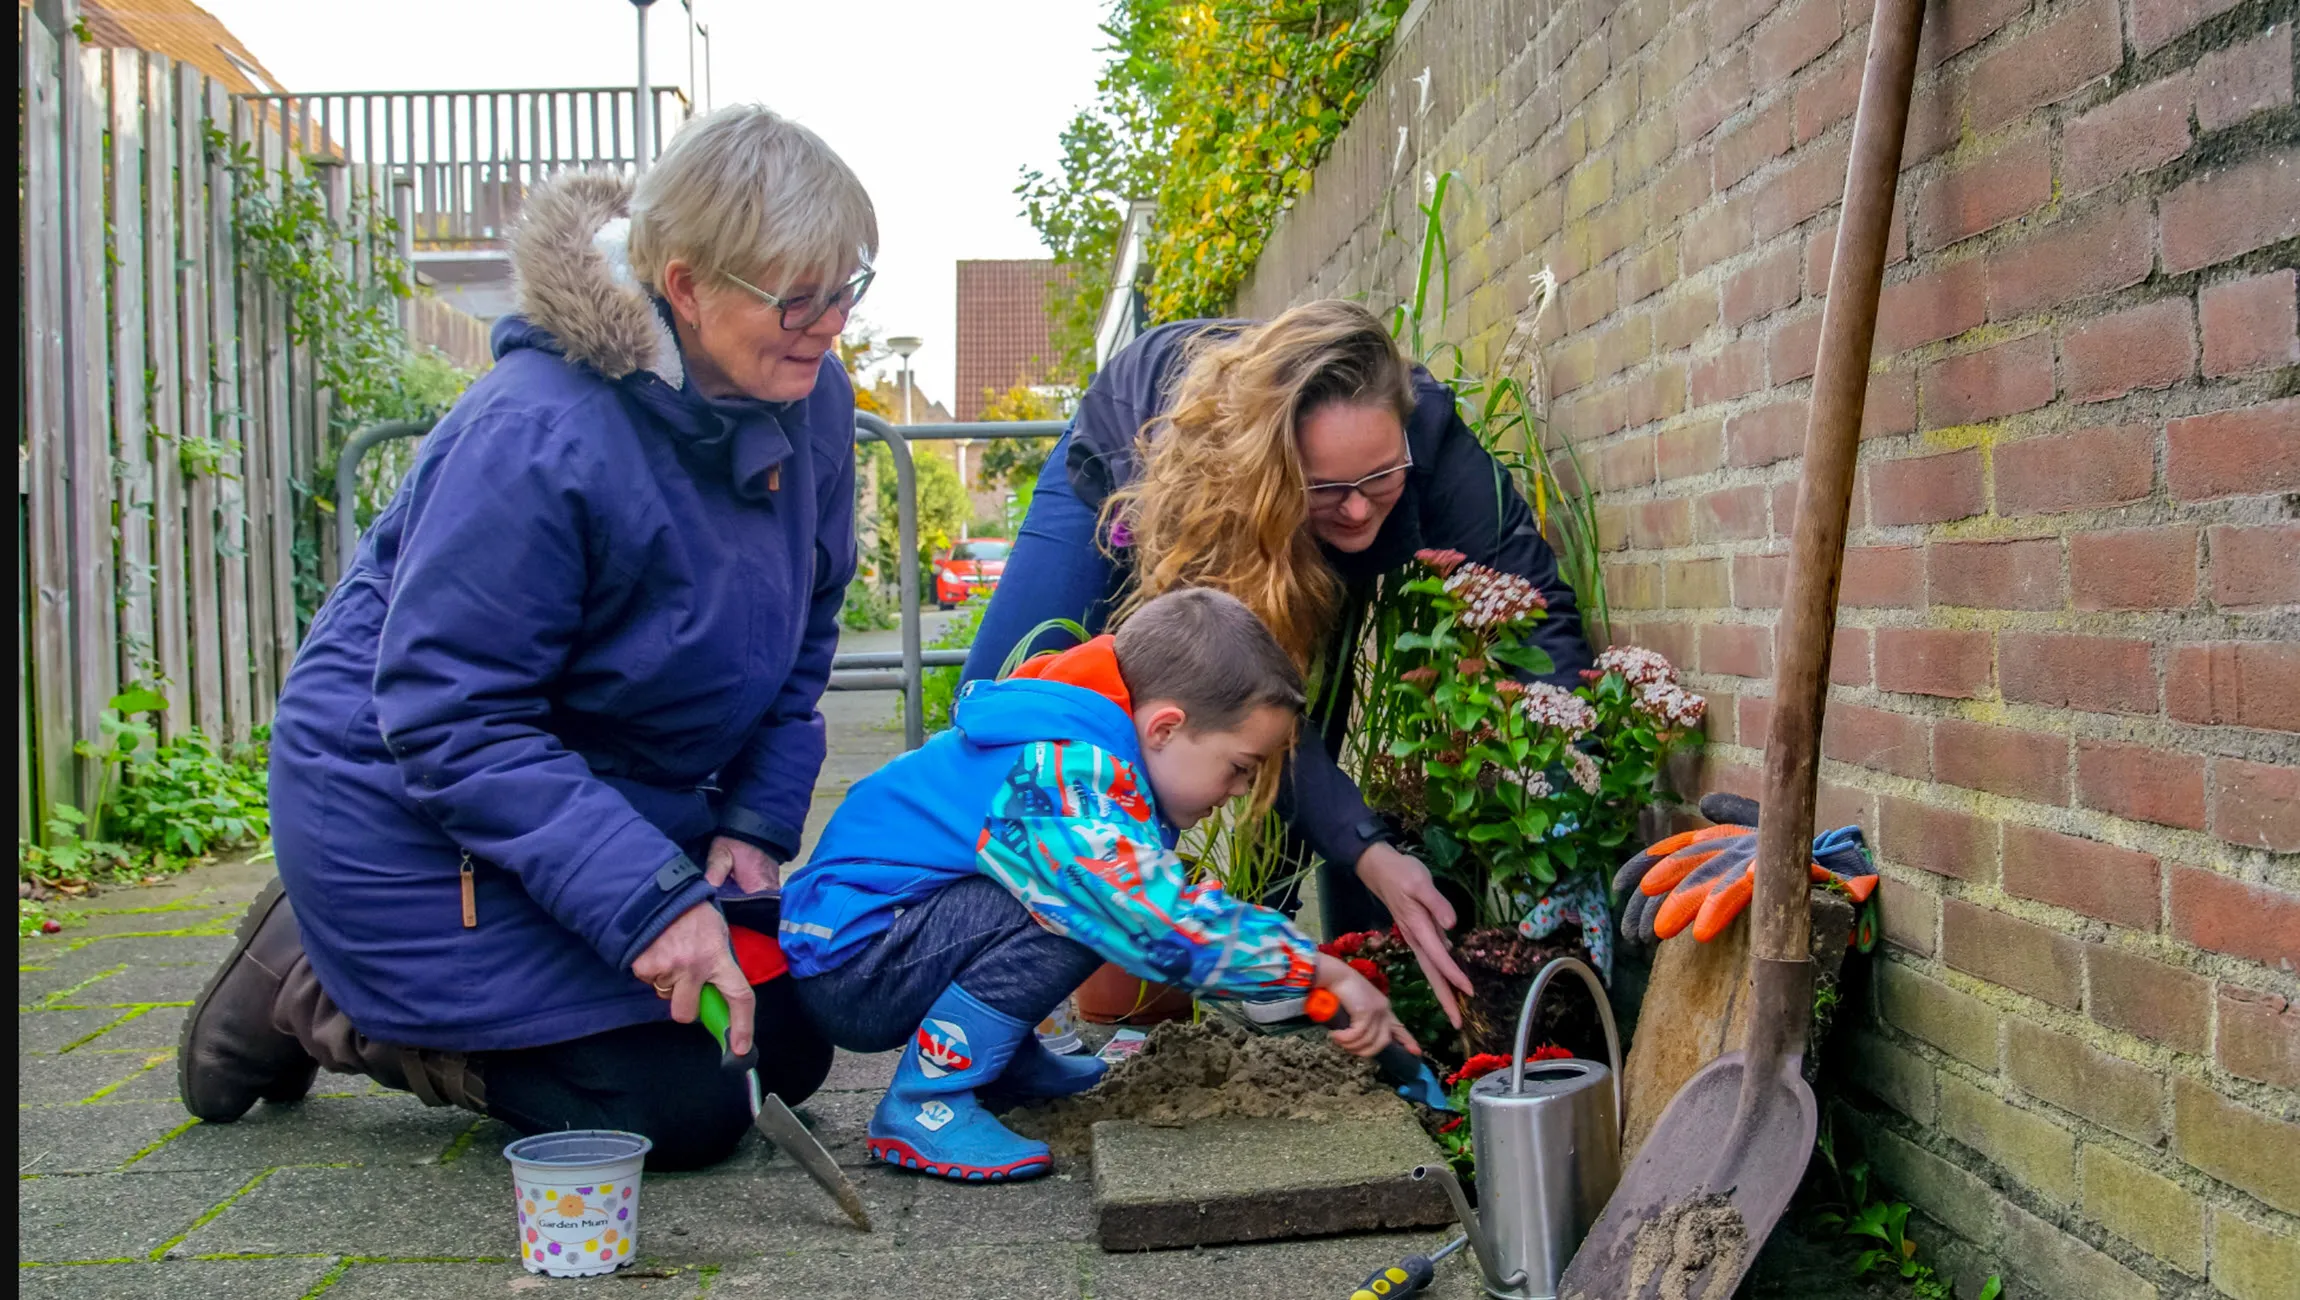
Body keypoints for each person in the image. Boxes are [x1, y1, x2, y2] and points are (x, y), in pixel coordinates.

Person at [176, 105, 876, 1170]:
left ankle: (400, 974)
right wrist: (651, 906)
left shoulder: (809, 393)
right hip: (409, 813)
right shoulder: (534, 433)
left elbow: (807, 620)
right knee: (681, 1109)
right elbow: (451, 716)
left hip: (585, 799)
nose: (828, 322)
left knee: (785, 1041)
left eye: (848, 287)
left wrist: (751, 820)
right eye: (798, 296)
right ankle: (319, 988)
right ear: (683, 285)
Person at [961, 301, 1596, 1027]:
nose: (1359, 513)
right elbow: (1235, 680)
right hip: (1144, 461)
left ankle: (1266, 945)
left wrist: (1565, 803)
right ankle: (969, 992)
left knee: (1296, 691)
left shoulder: (1434, 447)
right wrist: (1371, 856)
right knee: (1004, 708)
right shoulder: (1222, 479)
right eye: (1328, 487)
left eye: (1379, 480)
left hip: (1277, 513)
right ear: (1282, 467)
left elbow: (1536, 598)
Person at [779, 588, 1416, 1182]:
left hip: (879, 937)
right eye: (1239, 767)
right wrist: (1319, 973)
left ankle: (997, 1062)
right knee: (1098, 906)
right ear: (1165, 728)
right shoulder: (1059, 773)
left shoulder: (1085, 740)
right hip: (856, 963)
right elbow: (1152, 918)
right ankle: (926, 1104)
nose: (1243, 790)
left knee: (1079, 897)